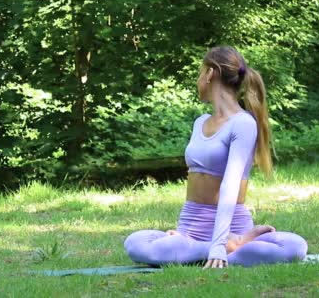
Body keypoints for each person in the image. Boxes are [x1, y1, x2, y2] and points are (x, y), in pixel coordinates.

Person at [124, 46, 307, 268]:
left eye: (200, 73)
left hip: (233, 227)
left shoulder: (243, 123)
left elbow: (230, 185)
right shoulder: (199, 122)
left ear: (210, 73)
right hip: (191, 230)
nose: (198, 80)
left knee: (295, 246)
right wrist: (214, 244)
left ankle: (216, 248)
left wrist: (221, 241)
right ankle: (221, 249)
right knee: (135, 243)